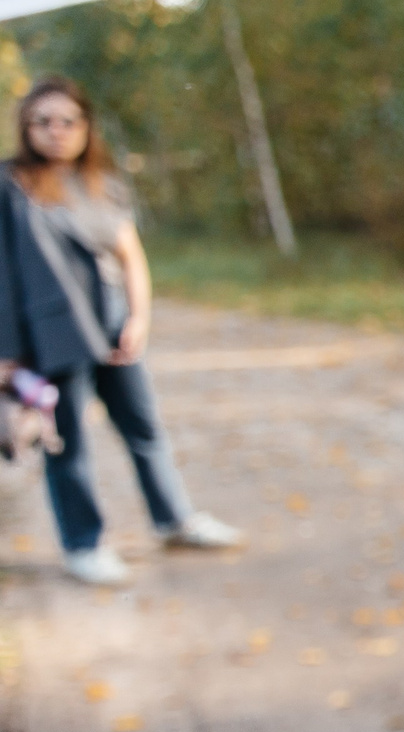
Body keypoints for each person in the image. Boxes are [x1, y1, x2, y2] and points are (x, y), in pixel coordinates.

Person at [1, 76, 241, 585]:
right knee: (68, 443)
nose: (57, 131)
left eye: (68, 121)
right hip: (52, 333)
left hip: (110, 322)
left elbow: (130, 256)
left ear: (86, 125)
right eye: (44, 121)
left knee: (143, 425)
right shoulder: (11, 186)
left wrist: (138, 319)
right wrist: (8, 350)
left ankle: (174, 519)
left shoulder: (102, 182)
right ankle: (83, 545)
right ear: (27, 127)